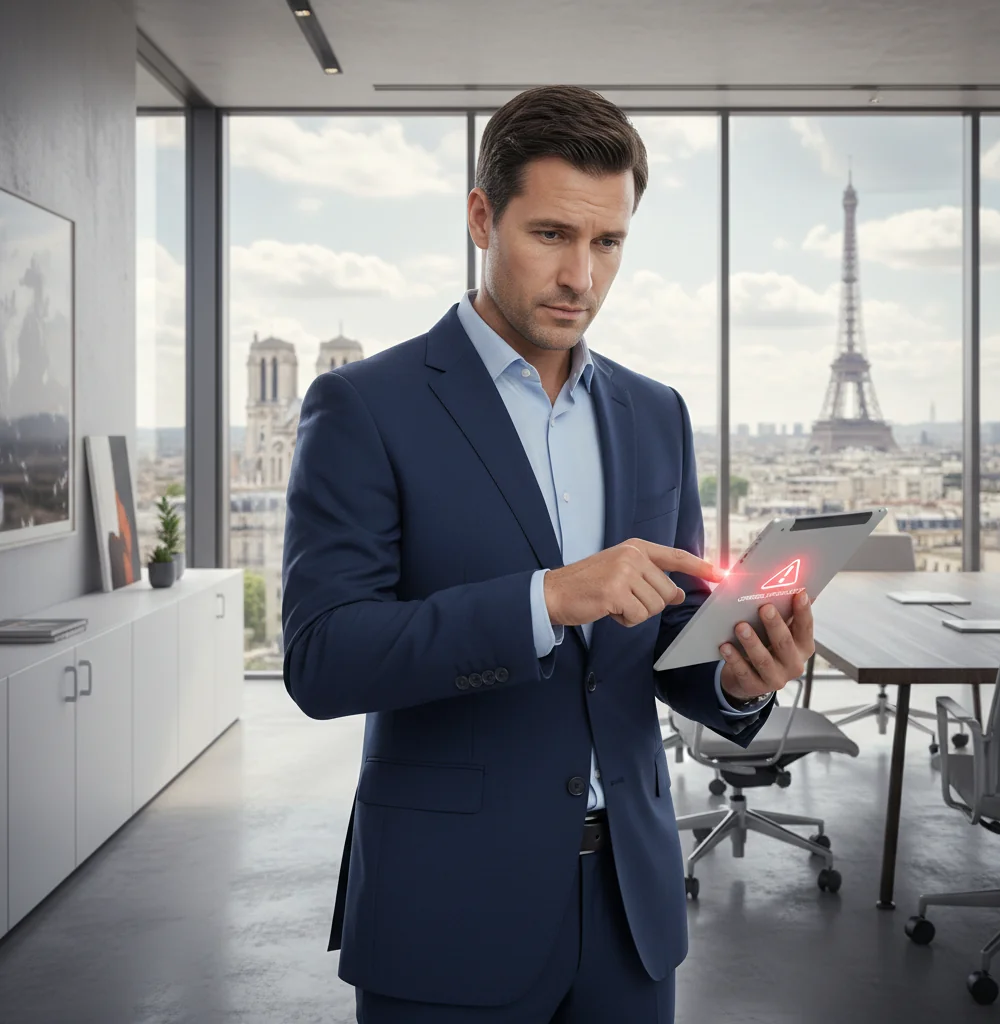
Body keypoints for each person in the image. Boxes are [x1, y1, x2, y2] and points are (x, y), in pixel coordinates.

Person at [282, 84, 815, 1024]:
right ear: (483, 217)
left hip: (633, 906)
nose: (582, 276)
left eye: (607, 243)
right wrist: (544, 600)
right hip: (449, 905)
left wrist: (740, 678)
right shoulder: (366, 406)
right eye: (552, 235)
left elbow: (669, 637)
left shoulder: (657, 415)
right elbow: (323, 658)